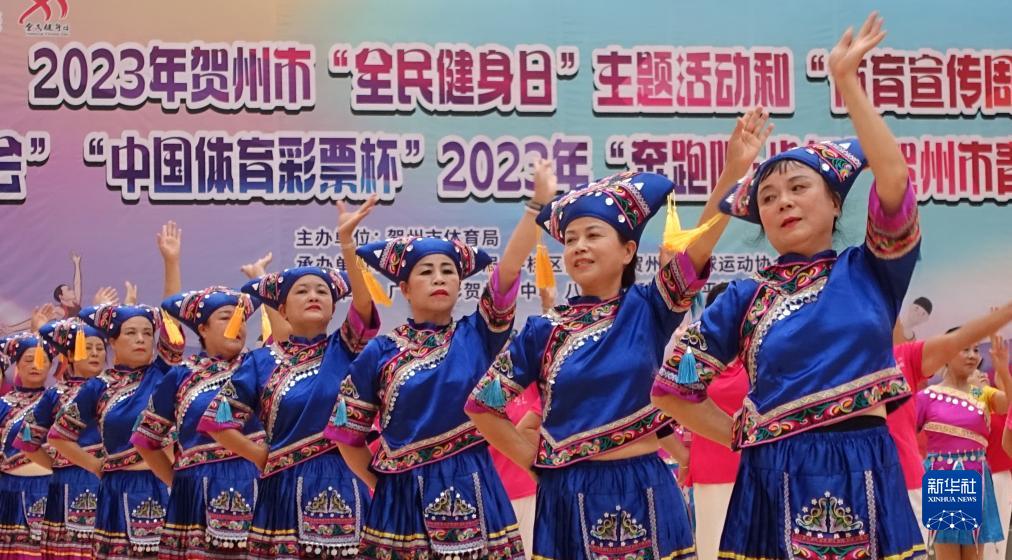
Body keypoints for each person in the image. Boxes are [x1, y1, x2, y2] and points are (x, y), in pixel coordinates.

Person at [652, 13, 926, 560]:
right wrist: (743, 433)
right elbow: (672, 389)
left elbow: (894, 180)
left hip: (867, 465)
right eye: (769, 198)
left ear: (835, 204)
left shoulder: (870, 271)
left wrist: (847, 82)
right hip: (769, 474)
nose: (784, 202)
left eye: (800, 188)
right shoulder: (745, 297)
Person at [466, 160, 719, 557]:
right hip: (567, 492)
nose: (579, 246)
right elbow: (482, 405)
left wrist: (731, 171)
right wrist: (533, 461)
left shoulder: (648, 309)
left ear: (628, 250)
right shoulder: (542, 330)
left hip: (645, 484)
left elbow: (698, 248)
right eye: (570, 240)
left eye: (593, 235)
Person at [199, 198, 380, 558]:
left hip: (345, 478)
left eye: (322, 292)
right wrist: (261, 455)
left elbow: (363, 308)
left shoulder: (345, 348)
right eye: (302, 291)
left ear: (333, 307)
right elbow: (217, 421)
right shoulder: (260, 361)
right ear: (281, 309)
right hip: (282, 486)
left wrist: (346, 243)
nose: (314, 296)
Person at [130, 285, 266, 557]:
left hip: (257, 484)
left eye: (241, 319)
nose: (237, 325)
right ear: (202, 328)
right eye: (226, 317)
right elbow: (145, 439)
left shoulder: (261, 366)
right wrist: (179, 483)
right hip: (195, 491)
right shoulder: (180, 375)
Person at [17, 314, 110, 559]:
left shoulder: (117, 389)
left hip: (113, 478)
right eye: (87, 348)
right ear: (69, 355)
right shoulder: (55, 394)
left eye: (99, 348)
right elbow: (26, 441)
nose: (94, 354)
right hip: (70, 481)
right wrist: (59, 465)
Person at [918, 328, 1010, 558]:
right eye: (965, 349)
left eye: (976, 350)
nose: (972, 355)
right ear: (946, 354)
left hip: (977, 476)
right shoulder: (928, 397)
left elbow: (1009, 405)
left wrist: (1002, 369)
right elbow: (905, 436)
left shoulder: (983, 394)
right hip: (943, 478)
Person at [0, 332, 56, 557]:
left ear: (50, 366)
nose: (35, 365)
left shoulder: (60, 401)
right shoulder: (3, 405)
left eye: (42, 360)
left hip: (49, 488)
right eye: (28, 359)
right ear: (17, 366)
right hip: (9, 489)